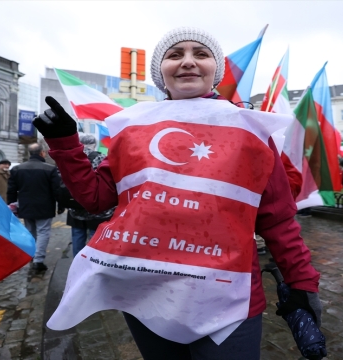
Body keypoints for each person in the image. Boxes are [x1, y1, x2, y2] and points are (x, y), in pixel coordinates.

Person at [34, 27, 322, 359]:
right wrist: (65, 144)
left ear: (216, 70)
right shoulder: (132, 127)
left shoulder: (251, 130)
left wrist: (302, 282)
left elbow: (278, 221)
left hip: (228, 301)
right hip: (146, 294)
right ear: (161, 72)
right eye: (175, 55)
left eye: (200, 54)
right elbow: (96, 198)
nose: (187, 62)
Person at [7, 143, 63, 271]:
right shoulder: (50, 169)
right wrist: (60, 204)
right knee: (43, 232)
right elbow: (57, 190)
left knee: (30, 231)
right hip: (45, 206)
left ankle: (32, 255)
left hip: (25, 206)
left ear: (29, 154)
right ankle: (38, 260)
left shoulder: (17, 169)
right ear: (42, 153)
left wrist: (12, 204)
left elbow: (11, 190)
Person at [67, 134, 115, 256]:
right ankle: (92, 264)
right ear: (93, 144)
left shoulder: (72, 158)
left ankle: (77, 265)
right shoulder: (101, 158)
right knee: (95, 238)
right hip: (99, 209)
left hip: (75, 206)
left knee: (77, 236)